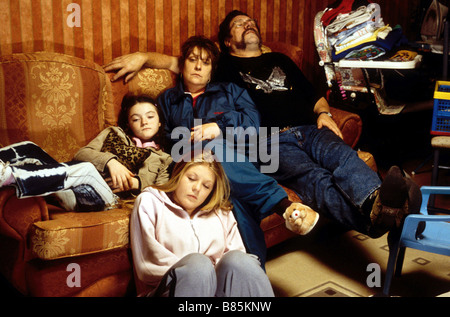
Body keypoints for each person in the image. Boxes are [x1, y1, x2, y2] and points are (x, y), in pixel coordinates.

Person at [104, 11, 421, 252]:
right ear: (228, 42)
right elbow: (184, 63)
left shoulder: (281, 58)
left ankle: (379, 208)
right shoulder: (224, 65)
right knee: (314, 179)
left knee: (341, 156)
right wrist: (144, 57)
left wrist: (324, 113)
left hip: (309, 129)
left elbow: (313, 94)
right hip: (269, 143)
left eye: (250, 22)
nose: (249, 25)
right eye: (240, 25)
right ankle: (380, 215)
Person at [157, 35, 319, 266]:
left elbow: (253, 125)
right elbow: (163, 138)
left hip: (235, 160)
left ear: (212, 70)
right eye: (192, 59)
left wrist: (218, 127)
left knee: (232, 195)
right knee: (212, 155)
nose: (198, 66)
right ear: (182, 65)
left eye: (205, 62)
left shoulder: (230, 91)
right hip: (190, 162)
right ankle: (282, 206)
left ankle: (253, 271)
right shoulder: (167, 99)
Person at [130, 150, 274, 297]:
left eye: (206, 186)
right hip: (165, 291)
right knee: (199, 265)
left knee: (241, 260)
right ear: (178, 174)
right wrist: (202, 272)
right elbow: (147, 267)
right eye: (191, 178)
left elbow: (237, 267)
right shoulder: (150, 201)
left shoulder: (222, 213)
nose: (197, 188)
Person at [0, 95, 172, 212]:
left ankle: (9, 176)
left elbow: (162, 194)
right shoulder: (113, 133)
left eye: (150, 117)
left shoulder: (164, 159)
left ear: (159, 123)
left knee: (87, 170)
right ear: (128, 124)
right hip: (72, 189)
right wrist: (111, 162)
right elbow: (81, 154)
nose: (144, 122)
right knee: (30, 148)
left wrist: (135, 183)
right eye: (136, 119)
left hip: (109, 199)